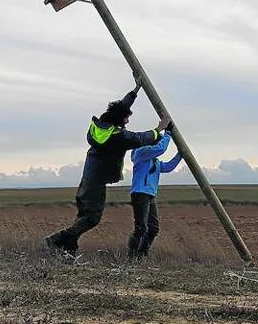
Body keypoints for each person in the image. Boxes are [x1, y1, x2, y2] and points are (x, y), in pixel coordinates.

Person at [45, 82, 171, 256]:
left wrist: (135, 90)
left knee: (85, 216)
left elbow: (119, 108)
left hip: (89, 178)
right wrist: (160, 129)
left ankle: (68, 248)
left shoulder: (101, 125)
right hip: (96, 181)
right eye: (126, 118)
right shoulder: (118, 137)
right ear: (119, 120)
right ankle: (56, 240)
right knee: (92, 218)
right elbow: (141, 138)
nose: (127, 121)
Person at [127, 125, 182, 260]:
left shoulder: (154, 161)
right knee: (141, 228)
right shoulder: (141, 153)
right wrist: (167, 134)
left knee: (153, 228)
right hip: (140, 194)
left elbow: (168, 167)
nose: (156, 142)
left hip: (150, 195)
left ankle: (141, 255)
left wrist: (180, 154)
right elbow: (161, 149)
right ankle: (132, 257)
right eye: (155, 140)